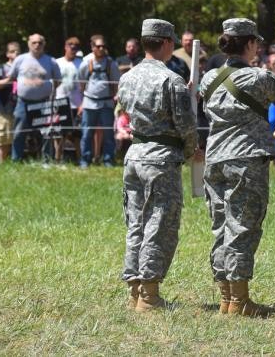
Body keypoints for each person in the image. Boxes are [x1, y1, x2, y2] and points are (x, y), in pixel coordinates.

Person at [198, 18, 275, 317]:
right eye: (256, 43)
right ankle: (240, 301)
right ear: (249, 43)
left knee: (220, 225)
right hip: (246, 160)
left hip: (214, 159)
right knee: (242, 227)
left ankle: (226, 298)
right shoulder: (260, 78)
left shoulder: (208, 78)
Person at [118, 19, 197, 312]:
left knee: (136, 223)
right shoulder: (171, 80)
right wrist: (190, 151)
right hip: (161, 159)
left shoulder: (127, 77)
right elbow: (186, 126)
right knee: (159, 224)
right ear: (165, 43)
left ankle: (134, 290)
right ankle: (149, 295)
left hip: (135, 155)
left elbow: (126, 111)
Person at [10, 34, 61, 161]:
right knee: (18, 132)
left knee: (46, 133)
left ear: (44, 44)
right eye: (34, 43)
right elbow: (11, 78)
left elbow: (58, 80)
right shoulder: (20, 59)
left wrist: (47, 89)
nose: (37, 45)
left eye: (40, 43)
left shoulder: (51, 61)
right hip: (23, 102)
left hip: (44, 102)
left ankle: (46, 160)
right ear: (29, 44)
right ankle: (16, 160)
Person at [78, 35, 121, 167]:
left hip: (106, 103)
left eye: (103, 46)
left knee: (108, 134)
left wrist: (115, 98)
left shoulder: (111, 64)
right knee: (86, 134)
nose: (101, 48)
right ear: (92, 47)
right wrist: (83, 100)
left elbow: (116, 83)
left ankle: (108, 160)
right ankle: (85, 160)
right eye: (98, 46)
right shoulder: (86, 63)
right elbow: (81, 84)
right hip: (89, 103)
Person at [0, 42, 20, 163]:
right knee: (4, 138)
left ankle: (16, 163)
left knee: (18, 136)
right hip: (5, 108)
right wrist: (10, 79)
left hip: (20, 107)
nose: (16, 54)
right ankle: (2, 164)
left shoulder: (24, 67)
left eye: (18, 51)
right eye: (13, 51)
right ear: (7, 54)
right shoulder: (2, 68)